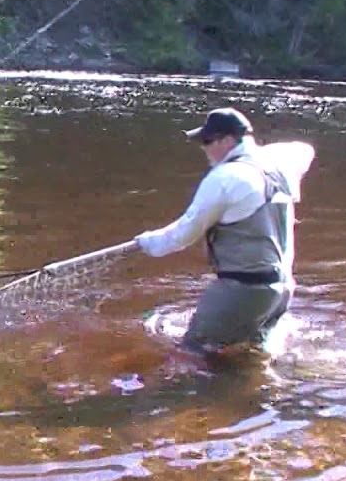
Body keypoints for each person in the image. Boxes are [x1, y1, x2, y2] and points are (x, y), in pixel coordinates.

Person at [135, 107, 316, 355]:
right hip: (282, 289)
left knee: (192, 352)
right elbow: (306, 149)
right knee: (254, 353)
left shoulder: (224, 178)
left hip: (243, 290)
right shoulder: (281, 163)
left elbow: (184, 234)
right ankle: (265, 389)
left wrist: (147, 242)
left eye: (209, 141)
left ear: (229, 141)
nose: (204, 148)